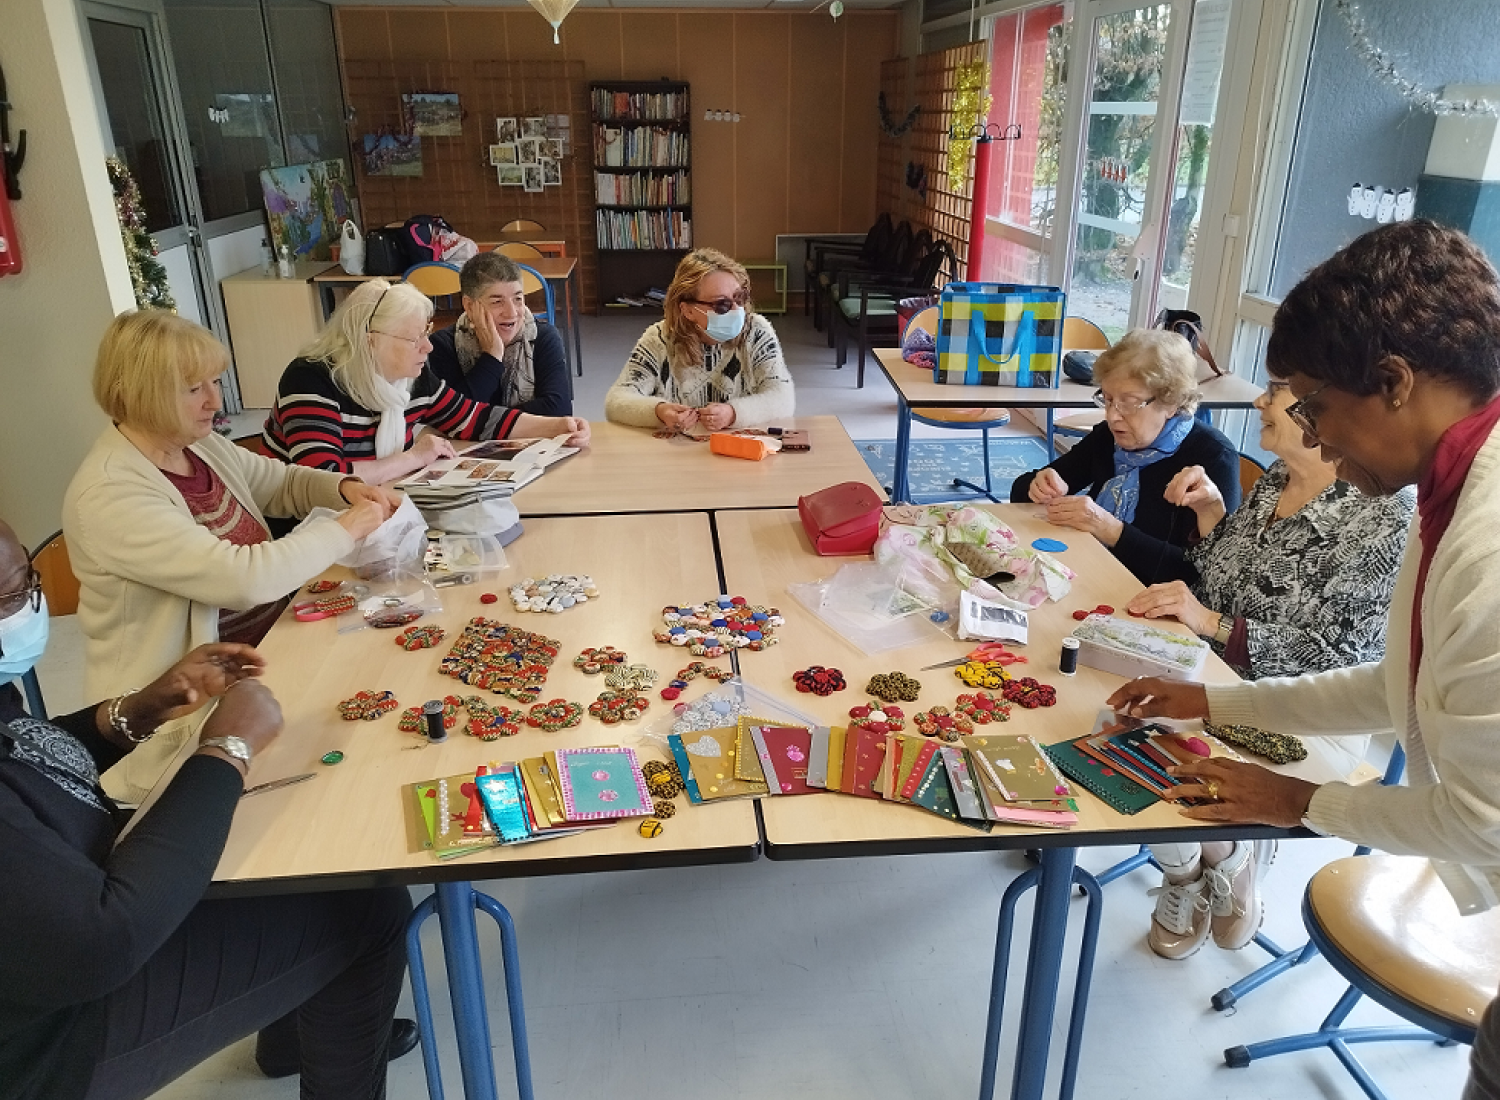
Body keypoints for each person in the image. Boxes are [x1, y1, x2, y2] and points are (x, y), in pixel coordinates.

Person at [1102, 221, 1500, 1099]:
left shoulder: (1484, 543)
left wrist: (1298, 801)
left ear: (1393, 384)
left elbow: (1483, 822)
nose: (1313, 438)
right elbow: (1395, 687)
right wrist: (1216, 706)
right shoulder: (1450, 490)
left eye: (1313, 404)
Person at [0, 519, 412, 1100]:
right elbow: (100, 943)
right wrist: (226, 750)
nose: (26, 610)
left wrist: (141, 710)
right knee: (367, 905)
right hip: (46, 1046)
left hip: (61, 931)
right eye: (13, 596)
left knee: (287, 861)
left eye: (26, 585)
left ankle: (297, 1030)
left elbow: (27, 759)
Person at [1121, 381, 1415, 958]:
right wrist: (1211, 513)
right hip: (1222, 674)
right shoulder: (1279, 480)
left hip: (1317, 711)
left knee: (1162, 749)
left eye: (1276, 390)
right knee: (1122, 717)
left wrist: (1211, 625)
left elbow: (1339, 660)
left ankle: (1223, 858)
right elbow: (1218, 579)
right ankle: (1197, 868)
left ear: (1323, 409)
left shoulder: (1386, 518)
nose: (1259, 401)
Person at [63, 310, 402, 805]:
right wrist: (346, 527)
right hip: (184, 721)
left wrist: (346, 486)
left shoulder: (198, 448)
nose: (215, 401)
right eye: (193, 388)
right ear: (141, 392)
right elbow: (245, 579)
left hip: (270, 659)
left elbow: (283, 482)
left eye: (214, 382)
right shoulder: (111, 493)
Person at [264, 280, 589, 484]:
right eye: (414, 338)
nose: (427, 346)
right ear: (370, 341)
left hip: (370, 510)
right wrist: (414, 457)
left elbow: (474, 418)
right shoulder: (310, 379)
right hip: (298, 531)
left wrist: (558, 426)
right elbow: (323, 480)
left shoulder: (411, 379)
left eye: (426, 334)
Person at [1010, 329, 1241, 585]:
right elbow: (1019, 494)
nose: (1112, 416)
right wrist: (1037, 486)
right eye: (1107, 400)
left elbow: (1202, 576)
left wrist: (1112, 530)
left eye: (1129, 403)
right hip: (1093, 573)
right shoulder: (1109, 437)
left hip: (1154, 601)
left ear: (1171, 403)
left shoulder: (1213, 458)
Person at [605, 248, 795, 431]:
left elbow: (783, 397)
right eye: (722, 304)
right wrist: (659, 411)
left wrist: (733, 413)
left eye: (739, 298)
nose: (737, 311)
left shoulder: (756, 331)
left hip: (741, 450)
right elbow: (617, 400)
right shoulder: (659, 339)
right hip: (680, 455)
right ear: (688, 310)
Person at [426, 251, 571, 416]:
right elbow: (452, 417)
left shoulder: (543, 337)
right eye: (497, 302)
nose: (511, 313)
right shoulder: (444, 344)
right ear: (469, 306)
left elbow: (559, 410)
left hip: (533, 441)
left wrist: (483, 418)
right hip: (467, 444)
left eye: (518, 299)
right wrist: (492, 356)